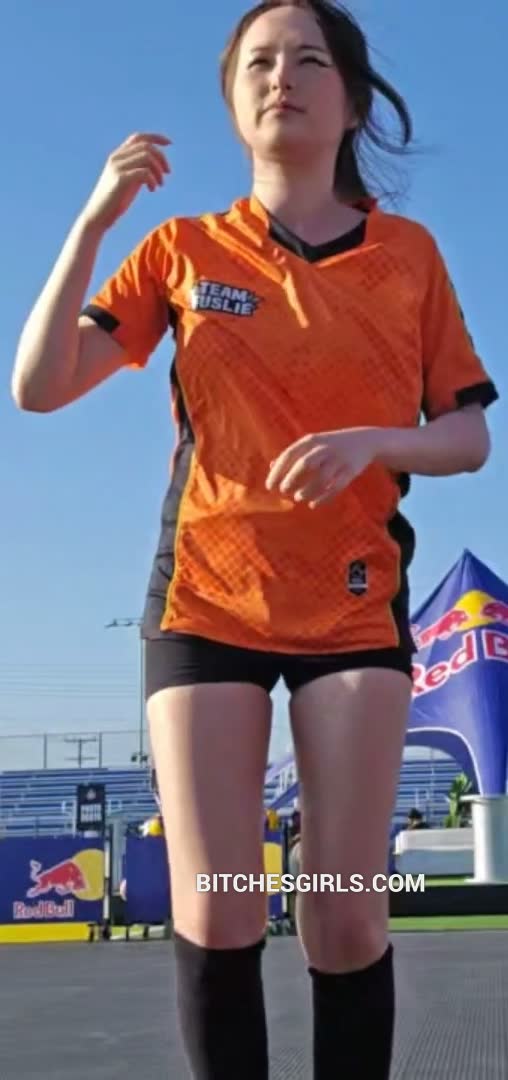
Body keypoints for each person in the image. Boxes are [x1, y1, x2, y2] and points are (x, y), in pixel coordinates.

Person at [11, 1, 498, 1076]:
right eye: (260, 63)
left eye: (309, 59)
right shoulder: (180, 250)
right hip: (205, 599)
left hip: (352, 603)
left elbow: (468, 436)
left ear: (352, 102)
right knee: (219, 905)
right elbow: (38, 388)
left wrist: (375, 442)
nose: (283, 77)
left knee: (345, 912)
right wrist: (93, 221)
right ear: (233, 102)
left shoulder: (408, 257)